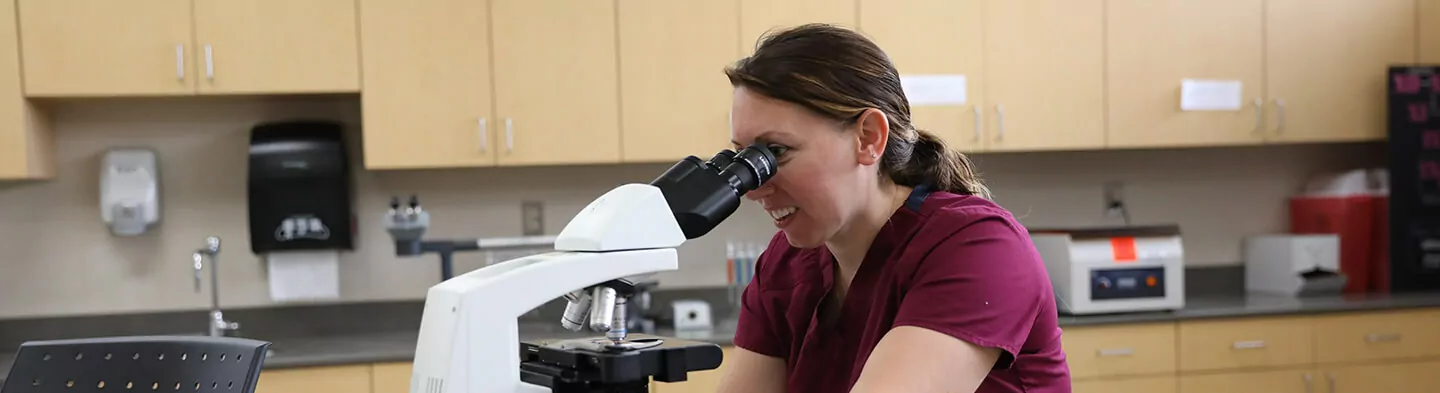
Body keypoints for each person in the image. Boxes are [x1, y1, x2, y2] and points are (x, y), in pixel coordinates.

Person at [714, 23, 1070, 393]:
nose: (755, 189)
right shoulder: (785, 265)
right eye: (743, 156)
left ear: (869, 138)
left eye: (775, 152)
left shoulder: (981, 249)